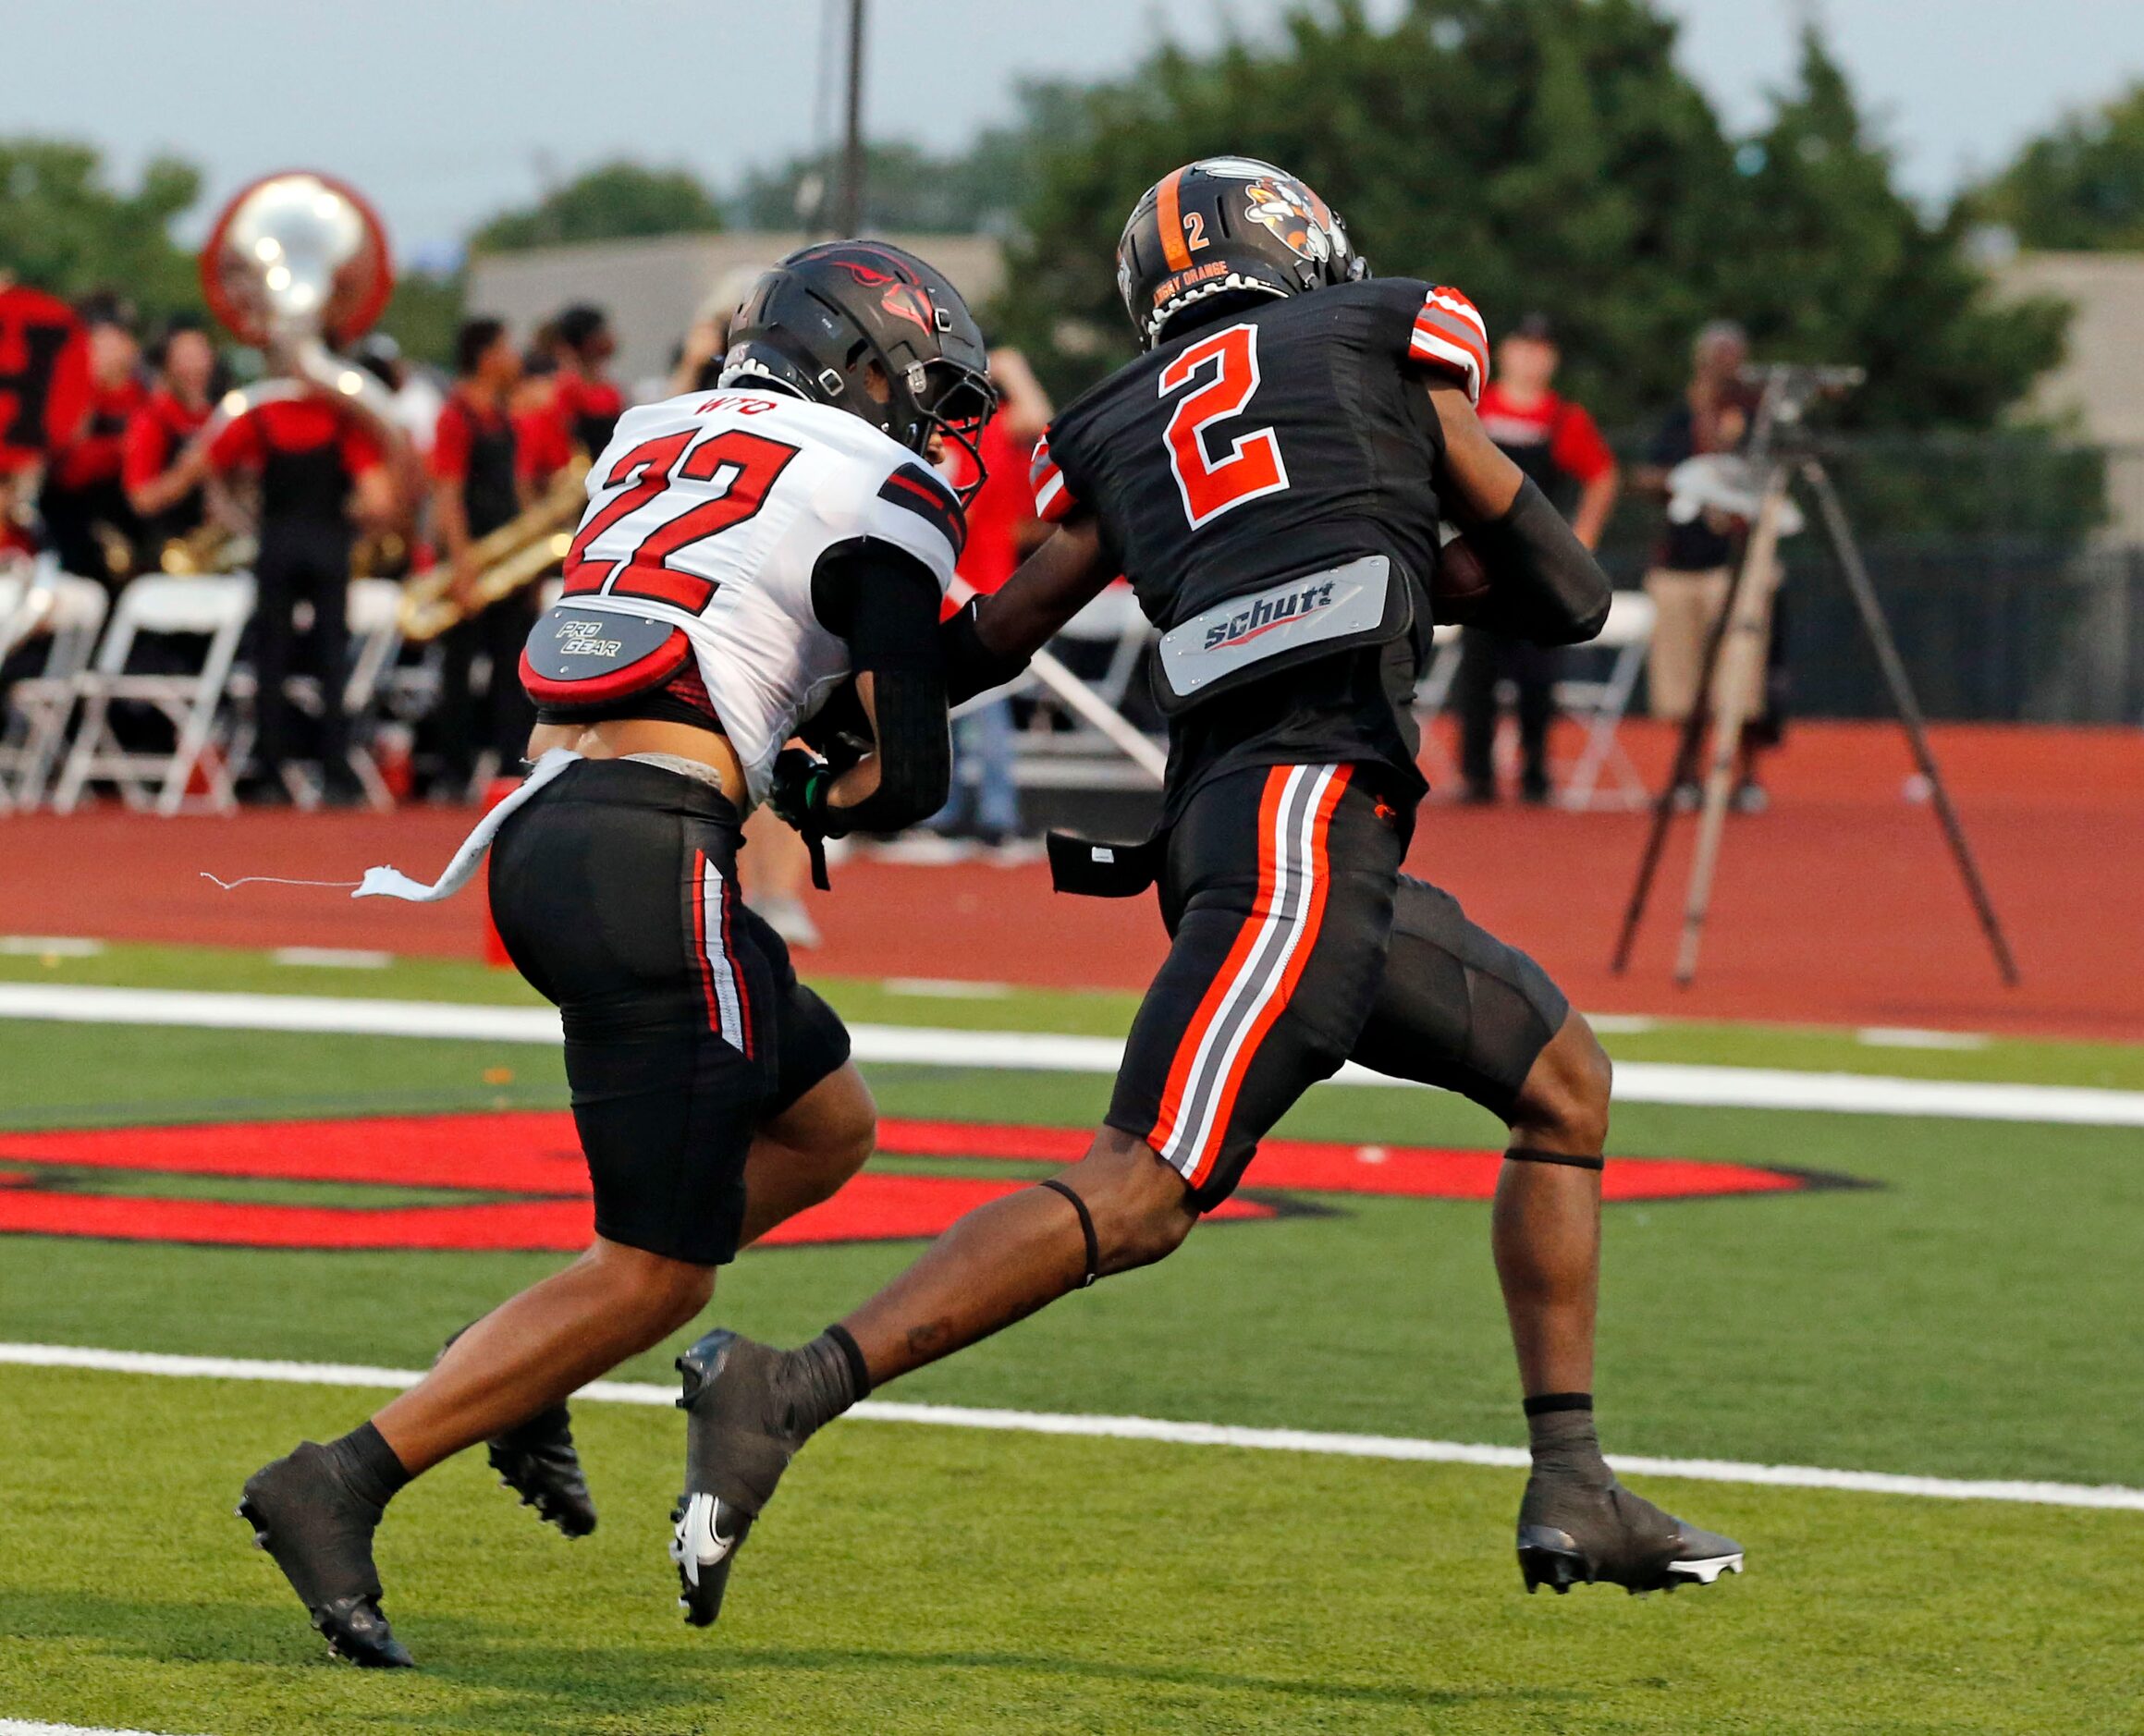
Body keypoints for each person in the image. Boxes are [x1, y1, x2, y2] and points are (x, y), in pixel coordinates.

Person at [669, 158, 1742, 1626]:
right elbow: (1563, 592)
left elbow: (998, 628)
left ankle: (1570, 1476)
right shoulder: (1382, 334)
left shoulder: (1117, 423)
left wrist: (845, 710)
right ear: (1301, 245)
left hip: (1259, 833)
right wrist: (1423, 548)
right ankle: (783, 1388)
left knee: (1562, 1082)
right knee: (1145, 1184)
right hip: (1299, 821)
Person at [235, 239, 998, 1669]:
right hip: (655, 851)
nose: (925, 416)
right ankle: (337, 1478)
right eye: (913, 380)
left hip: (544, 830)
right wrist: (820, 782)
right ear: (856, 361)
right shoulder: (882, 484)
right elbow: (907, 779)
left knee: (829, 1120)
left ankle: (528, 1362)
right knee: (662, 1272)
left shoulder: (652, 430)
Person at [168, 376, 399, 803]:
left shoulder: (258, 414)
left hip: (276, 542)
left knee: (269, 658)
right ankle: (334, 769)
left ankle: (270, 771)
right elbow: (379, 500)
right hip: (329, 543)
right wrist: (351, 519)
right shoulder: (342, 419)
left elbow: (201, 466)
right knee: (332, 659)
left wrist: (234, 513)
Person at [1452, 313, 1618, 803]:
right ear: (1506, 353)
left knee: (1537, 676)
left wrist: (1583, 535)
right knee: (1476, 674)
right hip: (1481, 563)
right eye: (1524, 347)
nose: (1531, 358)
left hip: (1536, 566)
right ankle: (1477, 774)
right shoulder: (1474, 409)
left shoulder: (1563, 419)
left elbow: (1603, 475)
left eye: (1541, 350)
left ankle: (1535, 771)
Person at [1636, 320, 1777, 809]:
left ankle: (1744, 775)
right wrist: (1684, 480)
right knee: (1681, 679)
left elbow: (1768, 482)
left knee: (1740, 674)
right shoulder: (1680, 419)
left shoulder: (1754, 421)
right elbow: (1649, 474)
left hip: (1732, 564)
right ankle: (1688, 774)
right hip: (1680, 562)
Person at [925, 346, 1053, 850]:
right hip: (978, 588)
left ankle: (963, 808)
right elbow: (1041, 420)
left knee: (962, 709)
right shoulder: (986, 431)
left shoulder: (954, 432)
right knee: (977, 706)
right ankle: (982, 809)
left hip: (957, 587)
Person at [425, 317, 537, 796]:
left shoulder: (504, 414)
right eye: (506, 348)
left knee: (513, 665)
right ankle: (452, 770)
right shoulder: (456, 414)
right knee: (460, 666)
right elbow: (447, 493)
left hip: (505, 557)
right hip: (471, 556)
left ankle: (510, 763)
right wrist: (462, 564)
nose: (515, 358)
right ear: (486, 356)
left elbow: (515, 486)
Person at [39, 293, 145, 581]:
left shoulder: (143, 396)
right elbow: (65, 463)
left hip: (129, 516)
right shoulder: (72, 394)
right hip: (72, 521)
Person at [121, 317, 221, 558]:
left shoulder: (217, 417)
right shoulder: (152, 419)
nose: (195, 366)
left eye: (200, 355)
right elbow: (141, 499)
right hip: (168, 549)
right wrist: (187, 474)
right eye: (185, 357)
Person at [549, 303, 624, 454]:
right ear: (589, 340)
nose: (612, 337)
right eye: (603, 332)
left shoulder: (606, 385)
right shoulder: (569, 387)